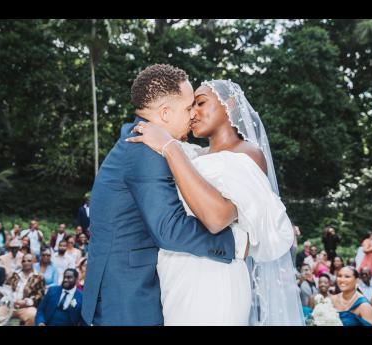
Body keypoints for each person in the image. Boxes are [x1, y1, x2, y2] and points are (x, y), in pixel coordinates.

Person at [127, 76, 304, 325]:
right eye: (189, 108)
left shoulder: (247, 153)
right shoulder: (193, 155)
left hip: (215, 276)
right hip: (176, 275)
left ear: (229, 104)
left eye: (200, 103)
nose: (193, 113)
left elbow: (217, 218)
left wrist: (169, 146)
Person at [82, 65, 250, 326]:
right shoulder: (144, 150)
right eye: (188, 108)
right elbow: (169, 228)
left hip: (129, 286)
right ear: (165, 113)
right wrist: (235, 242)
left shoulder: (143, 140)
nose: (194, 114)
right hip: (128, 295)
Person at [0, 253, 45, 326]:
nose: (26, 262)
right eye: (24, 261)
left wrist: (26, 302)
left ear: (33, 262)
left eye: (29, 261)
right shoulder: (14, 274)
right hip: (10, 306)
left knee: (33, 315)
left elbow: (40, 295)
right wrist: (9, 300)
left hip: (27, 307)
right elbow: (4, 290)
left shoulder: (39, 277)